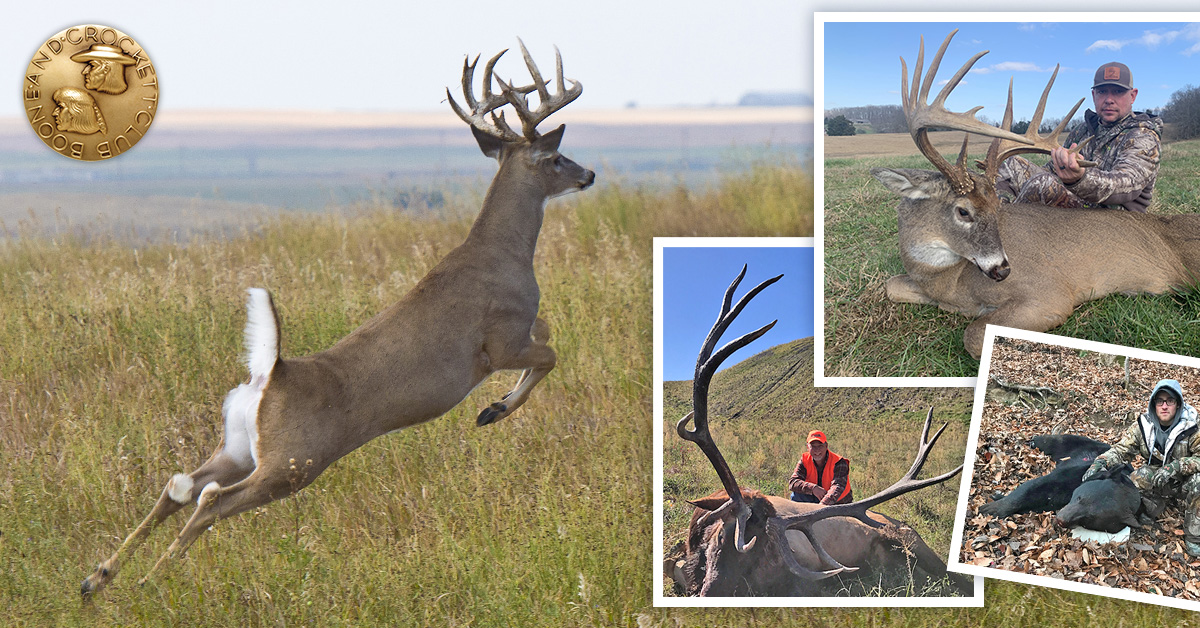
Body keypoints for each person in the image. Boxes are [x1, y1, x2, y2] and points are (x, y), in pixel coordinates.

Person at [996, 61, 1162, 213]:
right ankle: (995, 213)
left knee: (1043, 185)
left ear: (1133, 96)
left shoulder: (1143, 137)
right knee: (1011, 166)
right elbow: (1054, 170)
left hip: (1117, 219)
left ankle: (1010, 231)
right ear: (1093, 95)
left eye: (1118, 92)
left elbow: (1125, 186)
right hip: (1080, 203)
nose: (1109, 100)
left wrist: (1080, 178)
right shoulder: (1082, 130)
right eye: (1102, 92)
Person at [1084, 380, 1200, 556]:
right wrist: (1101, 462)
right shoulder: (1143, 426)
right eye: (1159, 401)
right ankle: (1149, 507)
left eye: (1170, 401)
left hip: (1185, 480)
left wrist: (1176, 466)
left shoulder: (1192, 427)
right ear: (1154, 403)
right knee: (1139, 476)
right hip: (1157, 476)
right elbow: (1121, 450)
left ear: (1178, 404)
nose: (1164, 406)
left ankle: (1194, 537)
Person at [788, 430, 852, 505]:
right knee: (796, 495)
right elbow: (793, 483)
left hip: (838, 501)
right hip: (816, 497)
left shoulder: (839, 462)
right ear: (808, 447)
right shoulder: (804, 460)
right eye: (813, 446)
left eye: (820, 446)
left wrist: (821, 507)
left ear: (826, 446)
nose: (817, 450)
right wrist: (813, 488)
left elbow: (838, 487)